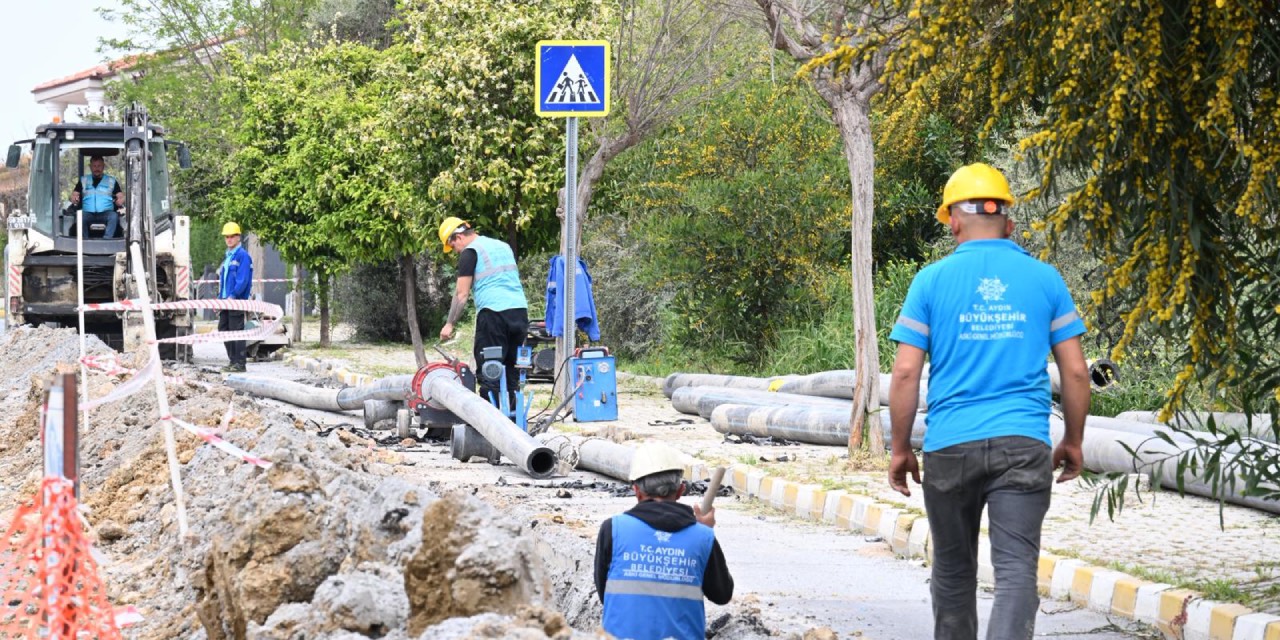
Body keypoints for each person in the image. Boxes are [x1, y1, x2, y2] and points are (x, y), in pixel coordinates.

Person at [886, 163, 1091, 640]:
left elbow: (905, 372)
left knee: (953, 572)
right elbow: (1077, 371)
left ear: (954, 222)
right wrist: (1074, 440)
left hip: (950, 446)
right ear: (1009, 224)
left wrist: (899, 448)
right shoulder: (1045, 279)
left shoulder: (930, 281)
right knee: (1016, 571)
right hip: (1023, 444)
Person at [594, 443, 733, 639]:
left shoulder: (613, 529)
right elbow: (722, 594)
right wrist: (706, 533)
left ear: (637, 491)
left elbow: (605, 595)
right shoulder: (702, 536)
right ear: (681, 490)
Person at [437, 217, 529, 409]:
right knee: (513, 371)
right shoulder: (503, 246)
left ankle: (487, 422)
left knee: (490, 370)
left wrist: (450, 324)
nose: (455, 251)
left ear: (458, 237)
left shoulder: (470, 252)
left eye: (453, 246)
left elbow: (461, 294)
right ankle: (514, 420)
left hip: (493, 314)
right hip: (519, 313)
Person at [218, 222, 253, 373]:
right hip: (226, 301)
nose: (229, 239)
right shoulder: (228, 257)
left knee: (236, 331)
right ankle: (233, 361)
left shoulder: (242, 256)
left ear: (238, 237)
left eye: (232, 236)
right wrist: (220, 300)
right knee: (224, 329)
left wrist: (233, 296)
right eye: (227, 237)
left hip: (236, 301)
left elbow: (243, 280)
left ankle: (240, 363)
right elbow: (224, 282)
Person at [71, 155, 124, 238]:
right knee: (80, 217)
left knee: (114, 216)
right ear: (90, 167)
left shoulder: (111, 181)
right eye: (94, 166)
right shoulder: (83, 180)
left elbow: (120, 196)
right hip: (88, 213)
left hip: (106, 213)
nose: (97, 168)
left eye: (99, 166)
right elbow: (74, 194)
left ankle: (107, 240)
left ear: (103, 166)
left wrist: (120, 200)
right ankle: (85, 240)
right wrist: (74, 198)